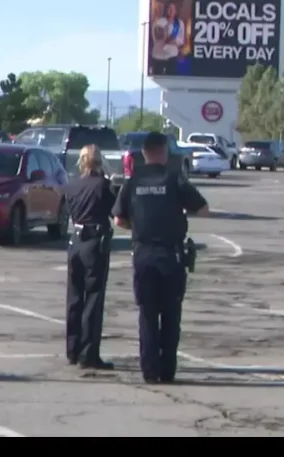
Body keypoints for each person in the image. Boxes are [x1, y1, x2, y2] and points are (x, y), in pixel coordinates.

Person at [112, 132, 209, 384]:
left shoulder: (133, 181)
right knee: (170, 313)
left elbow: (119, 219)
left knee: (147, 313)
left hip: (143, 254)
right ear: (163, 151)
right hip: (171, 255)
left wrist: (142, 226)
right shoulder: (174, 178)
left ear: (144, 153)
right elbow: (203, 209)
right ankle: (167, 371)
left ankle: (149, 369)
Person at [63, 144, 117, 370]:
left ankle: (73, 350)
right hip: (95, 242)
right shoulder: (104, 186)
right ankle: (89, 353)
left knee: (74, 297)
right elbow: (115, 212)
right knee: (93, 298)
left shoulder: (72, 185)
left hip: (75, 240)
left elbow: (69, 209)